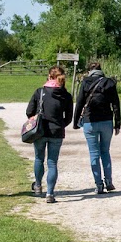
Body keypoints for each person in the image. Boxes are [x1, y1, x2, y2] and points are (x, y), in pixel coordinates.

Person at [72, 61, 121, 194]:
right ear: (101, 70)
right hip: (106, 121)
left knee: (94, 153)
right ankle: (109, 181)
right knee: (105, 151)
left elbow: (80, 102)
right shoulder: (109, 83)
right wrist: (117, 123)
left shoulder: (86, 82)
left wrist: (75, 121)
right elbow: (116, 104)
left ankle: (98, 184)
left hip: (90, 121)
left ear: (89, 70)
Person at [26, 66, 73, 203]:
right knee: (52, 163)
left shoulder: (40, 92)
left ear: (49, 76)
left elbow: (29, 111)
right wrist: (60, 125)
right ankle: (50, 193)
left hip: (40, 131)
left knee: (39, 158)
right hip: (57, 131)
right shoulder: (66, 95)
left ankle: (38, 186)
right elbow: (69, 117)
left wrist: (35, 119)